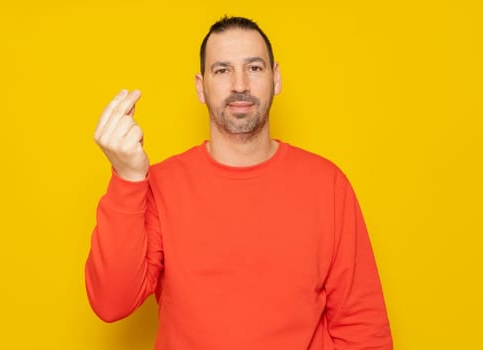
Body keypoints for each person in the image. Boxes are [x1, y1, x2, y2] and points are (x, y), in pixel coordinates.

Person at [86, 16, 393, 350]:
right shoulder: (162, 185)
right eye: (222, 70)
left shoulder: (328, 185)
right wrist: (128, 178)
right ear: (200, 87)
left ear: (275, 78)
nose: (240, 84)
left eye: (255, 68)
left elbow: (363, 327)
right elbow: (111, 302)